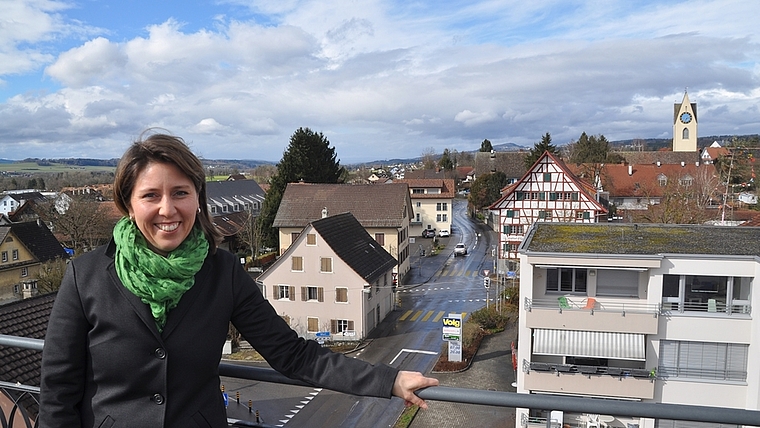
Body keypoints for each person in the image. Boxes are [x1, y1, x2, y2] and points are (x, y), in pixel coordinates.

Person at [39, 132, 439, 428]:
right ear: (128, 203)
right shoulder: (86, 276)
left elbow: (293, 355)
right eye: (150, 196)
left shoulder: (223, 273)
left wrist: (389, 380)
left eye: (180, 192)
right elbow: (59, 391)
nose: (167, 209)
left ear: (198, 198)